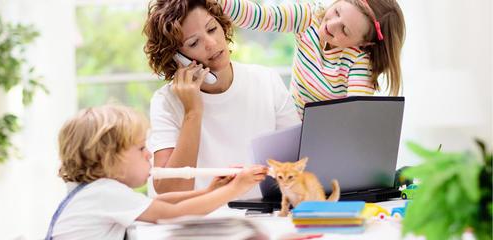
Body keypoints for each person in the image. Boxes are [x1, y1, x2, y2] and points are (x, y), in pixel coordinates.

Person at [143, 0, 301, 198]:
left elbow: (299, 162)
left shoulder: (266, 80)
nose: (211, 43)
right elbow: (171, 191)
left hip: (264, 215)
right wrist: (193, 112)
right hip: (200, 219)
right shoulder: (166, 102)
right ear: (176, 58)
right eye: (193, 43)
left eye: (211, 29)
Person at [45, 105, 268, 240]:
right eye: (141, 148)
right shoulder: (104, 193)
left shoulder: (97, 193)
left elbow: (161, 203)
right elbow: (173, 213)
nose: (149, 154)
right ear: (109, 158)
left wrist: (212, 190)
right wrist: (235, 189)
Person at [217, 0, 406, 117]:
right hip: (289, 121)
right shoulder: (309, 17)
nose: (331, 25)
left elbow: (353, 118)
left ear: (364, 44)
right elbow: (260, 17)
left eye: (345, 30)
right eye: (337, 11)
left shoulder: (359, 63)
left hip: (324, 137)